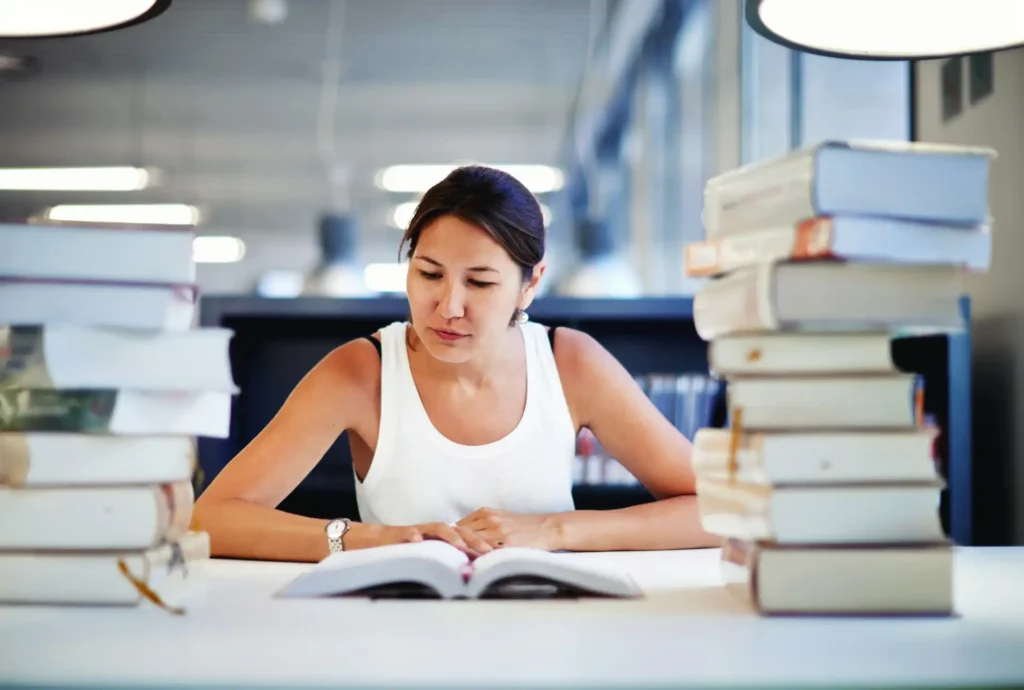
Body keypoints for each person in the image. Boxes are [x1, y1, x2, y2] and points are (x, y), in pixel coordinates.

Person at [192, 165, 719, 561]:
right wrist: (370, 538)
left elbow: (721, 509)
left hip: (546, 638)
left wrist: (555, 530)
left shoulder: (570, 362)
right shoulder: (360, 371)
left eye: (481, 282)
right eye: (429, 274)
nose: (448, 307)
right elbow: (211, 519)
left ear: (529, 284)